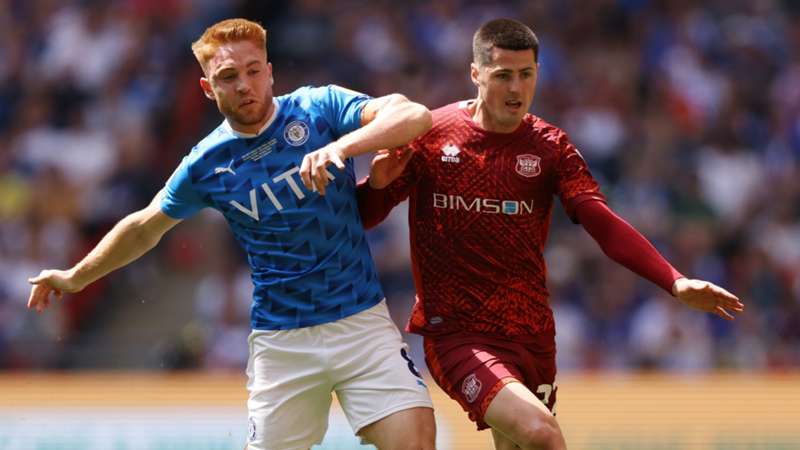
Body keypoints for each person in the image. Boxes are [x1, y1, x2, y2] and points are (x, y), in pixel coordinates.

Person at [26, 18, 437, 450]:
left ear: (270, 71)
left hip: (361, 325)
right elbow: (145, 226)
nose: (245, 84)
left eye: (254, 70)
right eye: (228, 76)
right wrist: (76, 276)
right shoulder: (206, 163)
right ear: (208, 88)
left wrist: (342, 147)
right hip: (282, 345)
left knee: (415, 441)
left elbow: (414, 115)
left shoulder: (319, 108)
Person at [355, 18, 744, 450]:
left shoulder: (550, 147)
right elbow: (366, 217)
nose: (516, 89)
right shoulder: (430, 136)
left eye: (527, 75)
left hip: (532, 338)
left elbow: (600, 221)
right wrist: (375, 186)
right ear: (476, 74)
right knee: (541, 433)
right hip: (458, 335)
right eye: (503, 75)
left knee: (523, 442)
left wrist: (674, 280)